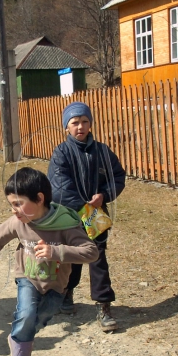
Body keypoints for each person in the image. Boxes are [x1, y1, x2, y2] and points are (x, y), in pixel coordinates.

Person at [0, 168, 98, 356]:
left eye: (18, 204)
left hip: (57, 285)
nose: (14, 210)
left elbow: (91, 252)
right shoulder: (18, 222)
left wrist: (56, 252)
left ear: (39, 198)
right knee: (26, 315)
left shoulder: (66, 224)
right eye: (11, 205)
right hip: (27, 278)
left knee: (41, 318)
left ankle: (19, 337)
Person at [47, 101, 126, 332]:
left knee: (98, 257)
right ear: (66, 127)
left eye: (84, 121)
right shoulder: (61, 152)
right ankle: (66, 293)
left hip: (96, 214)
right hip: (70, 215)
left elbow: (118, 177)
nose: (80, 126)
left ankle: (103, 305)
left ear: (90, 124)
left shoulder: (102, 151)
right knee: (72, 256)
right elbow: (58, 185)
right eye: (74, 122)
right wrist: (82, 205)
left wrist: (104, 195)